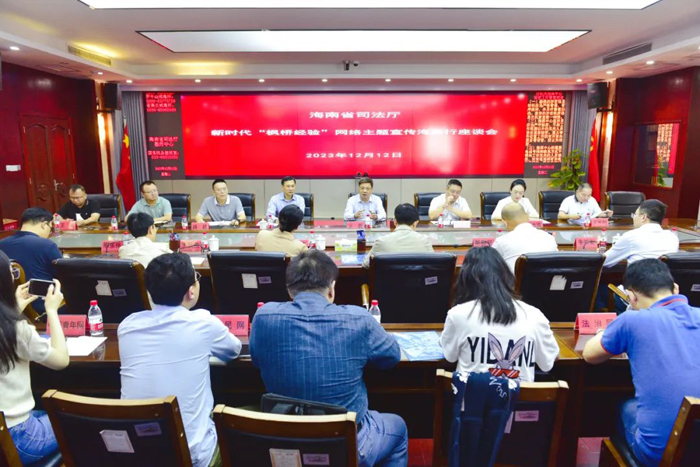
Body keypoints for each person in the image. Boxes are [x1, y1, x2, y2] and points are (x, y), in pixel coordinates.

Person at [250, 250, 407, 466]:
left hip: (285, 443)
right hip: (346, 445)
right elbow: (392, 356)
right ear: (332, 288)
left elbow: (256, 360)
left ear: (289, 290)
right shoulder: (359, 319)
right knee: (398, 428)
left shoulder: (264, 317)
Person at [119, 253, 241, 467]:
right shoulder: (202, 322)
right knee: (240, 430)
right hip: (193, 458)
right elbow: (233, 350)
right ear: (191, 291)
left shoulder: (127, 326)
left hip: (138, 456)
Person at [583, 259, 700, 466]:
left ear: (631, 296)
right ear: (675, 288)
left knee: (624, 406)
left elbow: (589, 355)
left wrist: (604, 332)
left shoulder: (631, 321)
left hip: (660, 454)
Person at [440, 247, 558, 382]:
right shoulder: (534, 315)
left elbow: (450, 356)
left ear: (465, 279)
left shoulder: (458, 315)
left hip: (471, 396)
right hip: (519, 396)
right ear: (506, 276)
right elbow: (549, 361)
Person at [0, 250, 68, 465]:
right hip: (19, 439)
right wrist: (52, 311)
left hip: (8, 429)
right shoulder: (15, 330)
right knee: (78, 419)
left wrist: (13, 309)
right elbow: (61, 360)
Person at [0, 208, 62, 312]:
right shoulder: (47, 245)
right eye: (50, 228)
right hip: (44, 306)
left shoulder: (2, 244)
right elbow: (62, 275)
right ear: (44, 224)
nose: (49, 232)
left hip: (10, 307)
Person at [603, 200, 678, 268]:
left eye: (635, 214)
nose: (633, 218)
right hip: (666, 279)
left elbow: (604, 261)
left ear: (643, 217)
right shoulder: (673, 238)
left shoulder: (631, 237)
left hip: (639, 279)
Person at [492, 203, 558, 273]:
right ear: (527, 217)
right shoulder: (549, 238)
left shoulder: (501, 242)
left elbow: (489, 266)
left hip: (515, 280)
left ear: (505, 222)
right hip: (545, 280)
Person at [363, 204, 433, 268]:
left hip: (389, 278)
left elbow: (366, 264)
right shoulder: (425, 241)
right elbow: (434, 264)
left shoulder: (382, 242)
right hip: (417, 278)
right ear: (415, 223)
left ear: (395, 221)